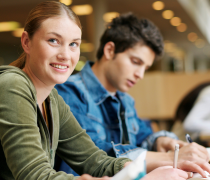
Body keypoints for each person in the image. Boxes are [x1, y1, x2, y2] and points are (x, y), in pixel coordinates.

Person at [0, 2, 208, 180]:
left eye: (74, 44)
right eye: (54, 41)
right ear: (27, 42)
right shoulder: (11, 86)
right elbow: (36, 176)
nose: (66, 54)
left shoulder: (51, 98)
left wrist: (169, 164)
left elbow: (95, 161)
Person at [55, 13, 210, 175]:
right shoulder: (68, 92)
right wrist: (170, 158)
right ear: (109, 51)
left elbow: (144, 136)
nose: (140, 74)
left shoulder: (125, 100)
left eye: (145, 68)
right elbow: (92, 153)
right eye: (136, 62)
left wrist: (161, 140)